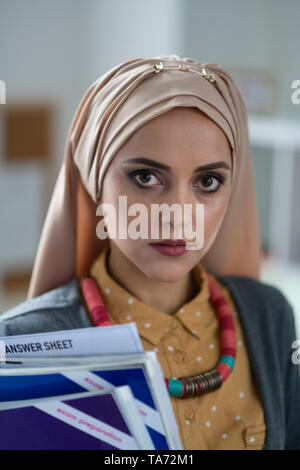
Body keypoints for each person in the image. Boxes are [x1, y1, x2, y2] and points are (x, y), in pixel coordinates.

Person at [0, 55, 299, 450]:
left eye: (208, 181)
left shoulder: (268, 315)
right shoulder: (20, 344)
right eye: (146, 177)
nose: (178, 217)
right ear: (95, 183)